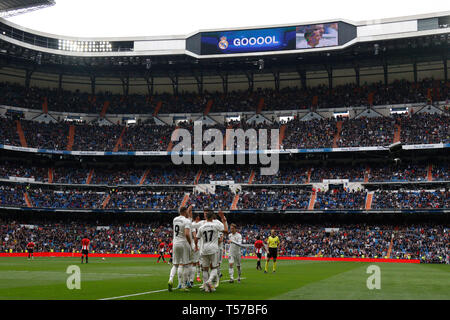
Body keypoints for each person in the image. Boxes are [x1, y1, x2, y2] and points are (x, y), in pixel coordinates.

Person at [195, 209, 228, 292]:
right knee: (214, 267)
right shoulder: (215, 225)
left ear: (206, 217)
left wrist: (196, 246)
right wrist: (223, 220)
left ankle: (206, 288)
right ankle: (209, 282)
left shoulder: (201, 227)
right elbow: (226, 231)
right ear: (213, 217)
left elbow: (196, 238)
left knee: (205, 269)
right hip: (213, 248)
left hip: (204, 249)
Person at [168, 205, 192, 292]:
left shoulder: (175, 219)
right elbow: (186, 234)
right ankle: (183, 285)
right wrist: (190, 243)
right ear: (185, 212)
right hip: (183, 243)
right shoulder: (187, 221)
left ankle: (170, 280)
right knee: (185, 265)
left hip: (175, 242)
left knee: (175, 265)